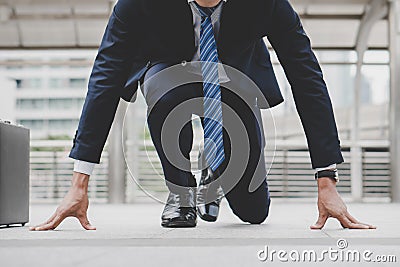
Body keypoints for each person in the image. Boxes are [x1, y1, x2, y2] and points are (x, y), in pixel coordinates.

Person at [30, 0, 376, 231]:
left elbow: (306, 76)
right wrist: (79, 182)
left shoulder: (265, 3)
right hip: (169, 73)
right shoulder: (139, 3)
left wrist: (327, 179)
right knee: (166, 90)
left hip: (236, 87)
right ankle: (181, 195)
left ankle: (217, 164)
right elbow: (105, 77)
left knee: (254, 213)